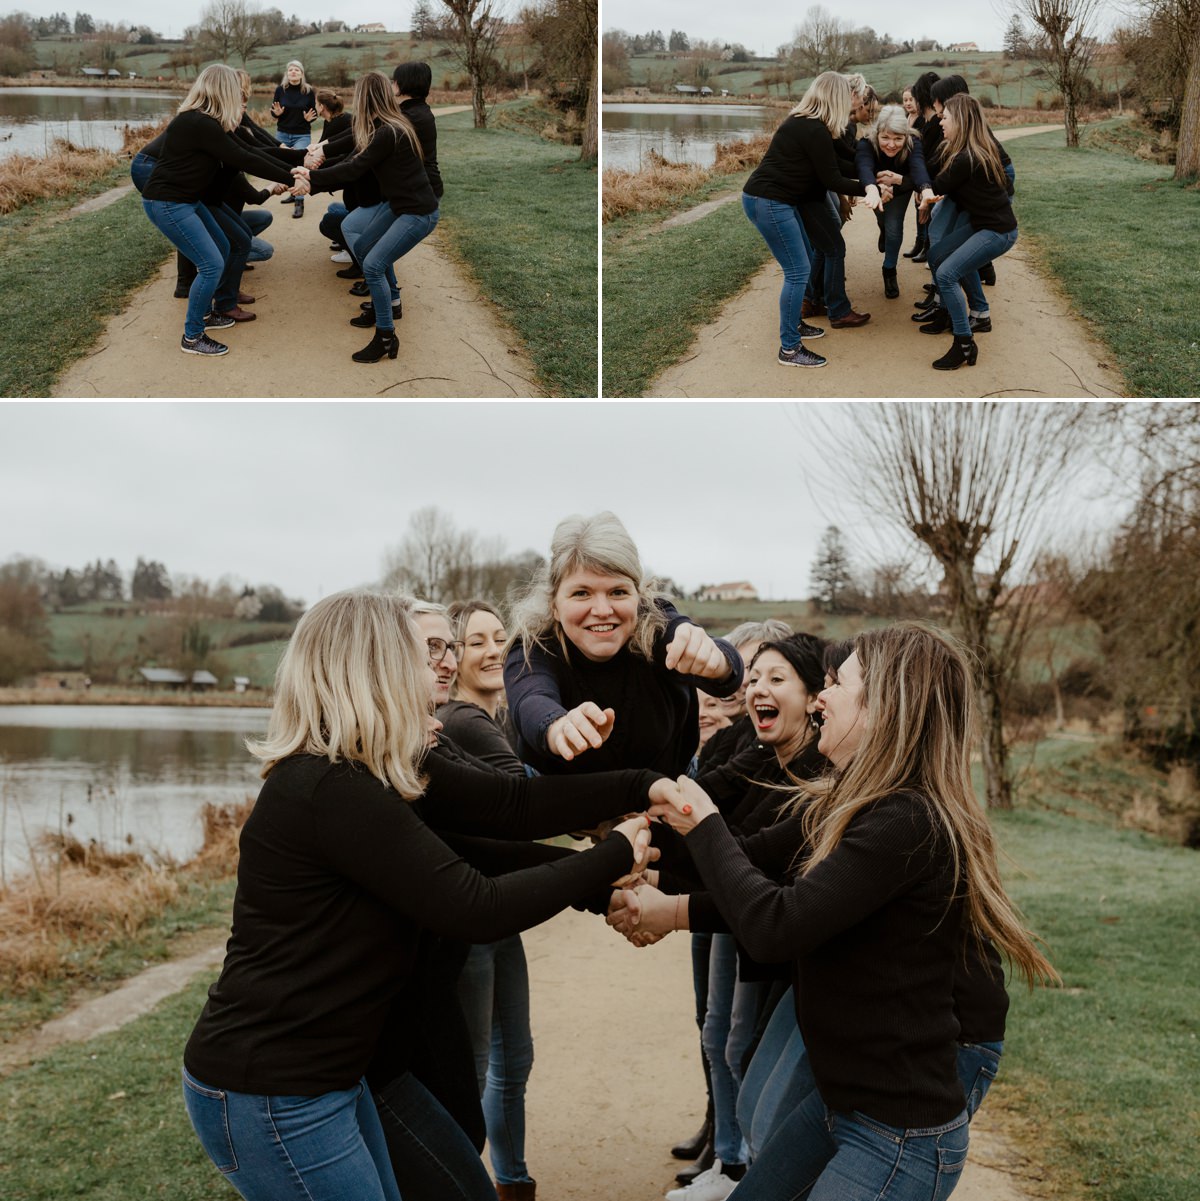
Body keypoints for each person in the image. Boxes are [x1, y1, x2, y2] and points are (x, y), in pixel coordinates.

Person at [181, 588, 666, 1201]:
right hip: (275, 1089)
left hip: (336, 1075)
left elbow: (492, 829)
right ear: (374, 668)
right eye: (421, 653)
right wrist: (613, 856)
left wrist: (627, 820)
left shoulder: (371, 771)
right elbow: (473, 904)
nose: (441, 666)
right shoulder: (331, 787)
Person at [618, 622, 1057, 1201]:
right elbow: (747, 861)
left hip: (897, 1135)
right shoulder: (849, 803)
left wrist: (703, 823)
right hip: (839, 1102)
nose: (820, 696)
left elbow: (776, 924)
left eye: (837, 684)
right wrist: (626, 849)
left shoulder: (905, 821)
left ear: (886, 710)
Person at [664, 633, 831, 1201]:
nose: (756, 687)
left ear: (817, 697)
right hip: (776, 951)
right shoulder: (761, 754)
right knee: (738, 1055)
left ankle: (739, 1171)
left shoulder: (817, 781)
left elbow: (751, 863)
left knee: (752, 1066)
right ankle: (735, 1165)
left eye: (775, 678)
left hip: (791, 960)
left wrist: (665, 904)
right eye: (753, 677)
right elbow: (703, 805)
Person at [503, 511, 743, 777]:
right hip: (564, 796)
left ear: (639, 598)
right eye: (581, 593)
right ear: (554, 606)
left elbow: (726, 674)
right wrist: (557, 726)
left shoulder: (658, 627)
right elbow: (531, 699)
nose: (603, 610)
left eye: (618, 592)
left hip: (668, 790)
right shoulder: (532, 647)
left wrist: (717, 662)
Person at [139, 63, 302, 357]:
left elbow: (251, 152)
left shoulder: (208, 122)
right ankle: (192, 336)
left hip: (186, 200)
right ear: (223, 90)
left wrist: (296, 168)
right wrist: (295, 177)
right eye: (235, 91)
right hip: (168, 203)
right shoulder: (198, 123)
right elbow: (244, 157)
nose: (240, 97)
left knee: (225, 245)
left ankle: (209, 313)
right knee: (212, 263)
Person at [297, 72, 439, 364]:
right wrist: (315, 173)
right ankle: (382, 304)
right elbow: (352, 159)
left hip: (417, 212)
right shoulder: (383, 126)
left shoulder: (389, 131)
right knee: (362, 249)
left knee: (373, 265)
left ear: (364, 98)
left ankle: (386, 335)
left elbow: (355, 168)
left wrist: (312, 178)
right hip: (400, 205)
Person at [740, 72, 867, 369]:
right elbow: (832, 177)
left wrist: (874, 174)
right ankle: (789, 349)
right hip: (769, 202)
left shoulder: (812, 125)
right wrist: (871, 186)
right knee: (798, 271)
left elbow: (839, 163)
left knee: (805, 261)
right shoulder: (811, 129)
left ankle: (795, 325)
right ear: (835, 99)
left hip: (777, 200)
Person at [919, 94, 1018, 371]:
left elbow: (937, 185)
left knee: (946, 273)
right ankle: (961, 315)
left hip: (998, 232)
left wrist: (900, 181)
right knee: (938, 254)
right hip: (983, 224)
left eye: (945, 117)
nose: (941, 122)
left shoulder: (966, 158)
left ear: (960, 121)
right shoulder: (964, 151)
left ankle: (964, 342)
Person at [857, 105, 935, 299]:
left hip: (901, 188)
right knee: (883, 220)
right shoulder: (866, 142)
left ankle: (889, 269)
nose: (891, 145)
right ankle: (882, 227)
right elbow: (864, 167)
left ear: (906, 136)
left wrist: (925, 189)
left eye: (898, 138)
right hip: (876, 188)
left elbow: (917, 168)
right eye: (885, 138)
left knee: (894, 227)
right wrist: (873, 188)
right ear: (877, 134)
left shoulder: (914, 142)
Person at [272, 59, 317, 215]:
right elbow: (274, 110)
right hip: (282, 133)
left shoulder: (309, 91)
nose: (293, 72)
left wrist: (310, 118)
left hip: (302, 134)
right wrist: (275, 113)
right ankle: (292, 193)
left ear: (302, 74)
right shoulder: (280, 90)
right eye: (290, 69)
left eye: (297, 70)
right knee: (284, 165)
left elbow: (314, 113)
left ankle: (300, 202)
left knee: (299, 165)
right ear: (287, 73)